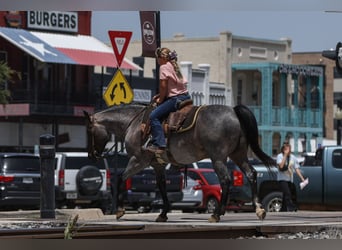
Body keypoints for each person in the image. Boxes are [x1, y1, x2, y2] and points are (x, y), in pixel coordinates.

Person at [144, 47, 191, 154]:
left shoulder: (164, 67)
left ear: (162, 58)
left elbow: (163, 86)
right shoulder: (174, 66)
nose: (157, 61)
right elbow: (174, 86)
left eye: (157, 58)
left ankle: (159, 144)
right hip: (186, 97)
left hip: (175, 99)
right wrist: (160, 95)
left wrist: (160, 99)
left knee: (153, 116)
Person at [276, 142, 306, 212]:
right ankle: (292, 207)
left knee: (286, 195)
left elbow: (297, 168)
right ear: (282, 149)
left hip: (290, 179)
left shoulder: (293, 157)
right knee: (287, 193)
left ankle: (283, 210)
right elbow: (281, 166)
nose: (286, 150)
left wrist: (302, 178)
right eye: (285, 149)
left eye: (288, 148)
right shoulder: (280, 156)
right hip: (282, 179)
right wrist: (285, 156)